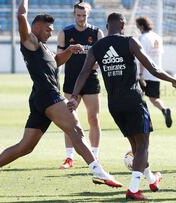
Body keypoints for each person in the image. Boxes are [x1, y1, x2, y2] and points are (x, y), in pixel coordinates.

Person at [0, 0, 122, 193]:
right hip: (47, 94)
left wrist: (68, 51)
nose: (51, 32)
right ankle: (98, 171)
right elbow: (20, 16)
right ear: (36, 27)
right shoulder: (30, 41)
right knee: (75, 128)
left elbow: (56, 62)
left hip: (39, 98)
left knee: (25, 146)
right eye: (48, 29)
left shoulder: (43, 48)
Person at [67, 13, 176, 200]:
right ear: (122, 24)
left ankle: (152, 179)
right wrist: (172, 80)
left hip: (114, 105)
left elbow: (83, 72)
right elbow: (152, 67)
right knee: (143, 145)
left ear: (107, 26)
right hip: (133, 101)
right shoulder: (130, 42)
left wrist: (74, 97)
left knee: (136, 146)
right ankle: (134, 189)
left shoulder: (97, 47)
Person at [57, 1, 104, 169]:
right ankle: (69, 157)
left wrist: (97, 63)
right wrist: (68, 51)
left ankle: (95, 155)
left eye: (84, 15)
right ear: (73, 14)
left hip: (91, 80)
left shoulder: (96, 33)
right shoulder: (65, 33)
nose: (81, 18)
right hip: (71, 81)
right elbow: (58, 58)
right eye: (78, 15)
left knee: (94, 118)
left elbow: (101, 57)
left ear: (88, 15)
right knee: (68, 120)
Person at [135, 16, 172, 128]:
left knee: (138, 98)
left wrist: (140, 74)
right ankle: (164, 110)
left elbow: (143, 57)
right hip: (156, 73)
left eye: (138, 27)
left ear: (141, 26)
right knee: (154, 98)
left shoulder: (142, 38)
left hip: (145, 73)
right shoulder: (157, 37)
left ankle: (145, 121)